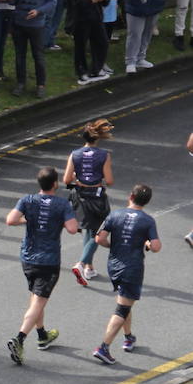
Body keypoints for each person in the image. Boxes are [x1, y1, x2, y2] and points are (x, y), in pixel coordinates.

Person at [4, 166, 79, 364]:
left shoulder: (27, 200)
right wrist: (62, 219)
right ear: (55, 184)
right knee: (38, 301)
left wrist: (26, 219)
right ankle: (19, 338)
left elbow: (10, 220)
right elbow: (73, 229)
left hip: (28, 257)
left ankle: (42, 335)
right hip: (49, 260)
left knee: (36, 297)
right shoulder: (62, 204)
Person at [92, 184, 162, 364]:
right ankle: (103, 347)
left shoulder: (115, 214)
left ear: (130, 196)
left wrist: (112, 246)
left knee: (124, 299)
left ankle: (128, 337)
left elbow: (99, 238)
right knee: (122, 308)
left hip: (113, 266)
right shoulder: (147, 220)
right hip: (132, 268)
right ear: (146, 202)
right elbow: (156, 247)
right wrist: (145, 244)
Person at [66, 118, 116, 283]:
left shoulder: (74, 154)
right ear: (97, 137)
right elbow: (109, 181)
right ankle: (81, 264)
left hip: (80, 197)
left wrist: (77, 180)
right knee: (97, 233)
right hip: (97, 197)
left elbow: (67, 181)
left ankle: (89, 268)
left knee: (88, 231)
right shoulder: (104, 155)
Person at [12, 0, 57, 97]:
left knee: (38, 55)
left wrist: (38, 11)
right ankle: (20, 83)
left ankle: (41, 85)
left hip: (36, 25)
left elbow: (52, 1)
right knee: (20, 55)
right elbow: (16, 0)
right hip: (19, 23)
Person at [71, 0, 113, 83]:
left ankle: (96, 69)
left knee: (102, 42)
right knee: (81, 46)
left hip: (97, 17)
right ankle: (81, 71)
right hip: (82, 19)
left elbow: (105, 0)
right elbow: (78, 2)